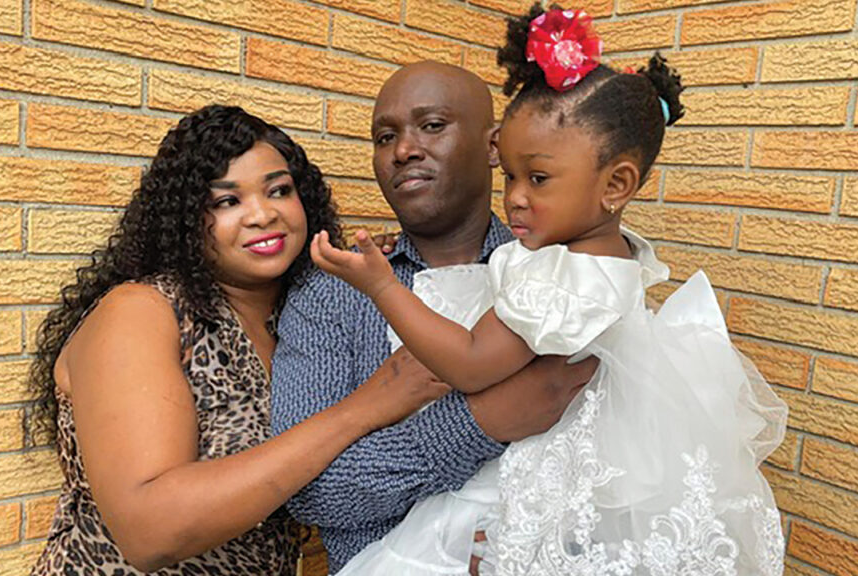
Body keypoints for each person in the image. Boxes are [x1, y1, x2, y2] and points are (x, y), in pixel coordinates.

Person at [311, 4, 789, 575]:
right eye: (510, 174)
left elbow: (468, 364)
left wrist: (383, 286)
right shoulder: (599, 258)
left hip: (536, 491)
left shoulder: (559, 276)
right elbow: (319, 496)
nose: (514, 196)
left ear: (617, 184)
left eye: (537, 178)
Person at [26, 105, 448, 575]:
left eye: (279, 191)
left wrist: (378, 279)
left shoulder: (304, 318)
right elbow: (150, 529)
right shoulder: (143, 311)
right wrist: (364, 408)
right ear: (186, 218)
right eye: (227, 201)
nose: (262, 214)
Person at [270, 60, 600, 572]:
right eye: (385, 137)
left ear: (495, 146)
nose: (403, 150)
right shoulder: (335, 292)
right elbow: (311, 494)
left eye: (432, 125)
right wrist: (477, 424)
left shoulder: (558, 277)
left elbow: (617, 456)